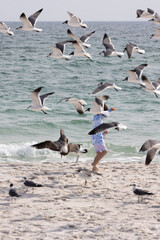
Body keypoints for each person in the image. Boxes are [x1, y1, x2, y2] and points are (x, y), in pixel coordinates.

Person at [91, 107, 116, 172]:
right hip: (98, 137)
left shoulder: (96, 118)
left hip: (94, 138)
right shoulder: (98, 118)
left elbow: (98, 127)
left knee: (99, 153)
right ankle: (94, 164)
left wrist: (104, 132)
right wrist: (110, 110)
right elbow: (104, 113)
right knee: (105, 151)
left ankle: (94, 167)